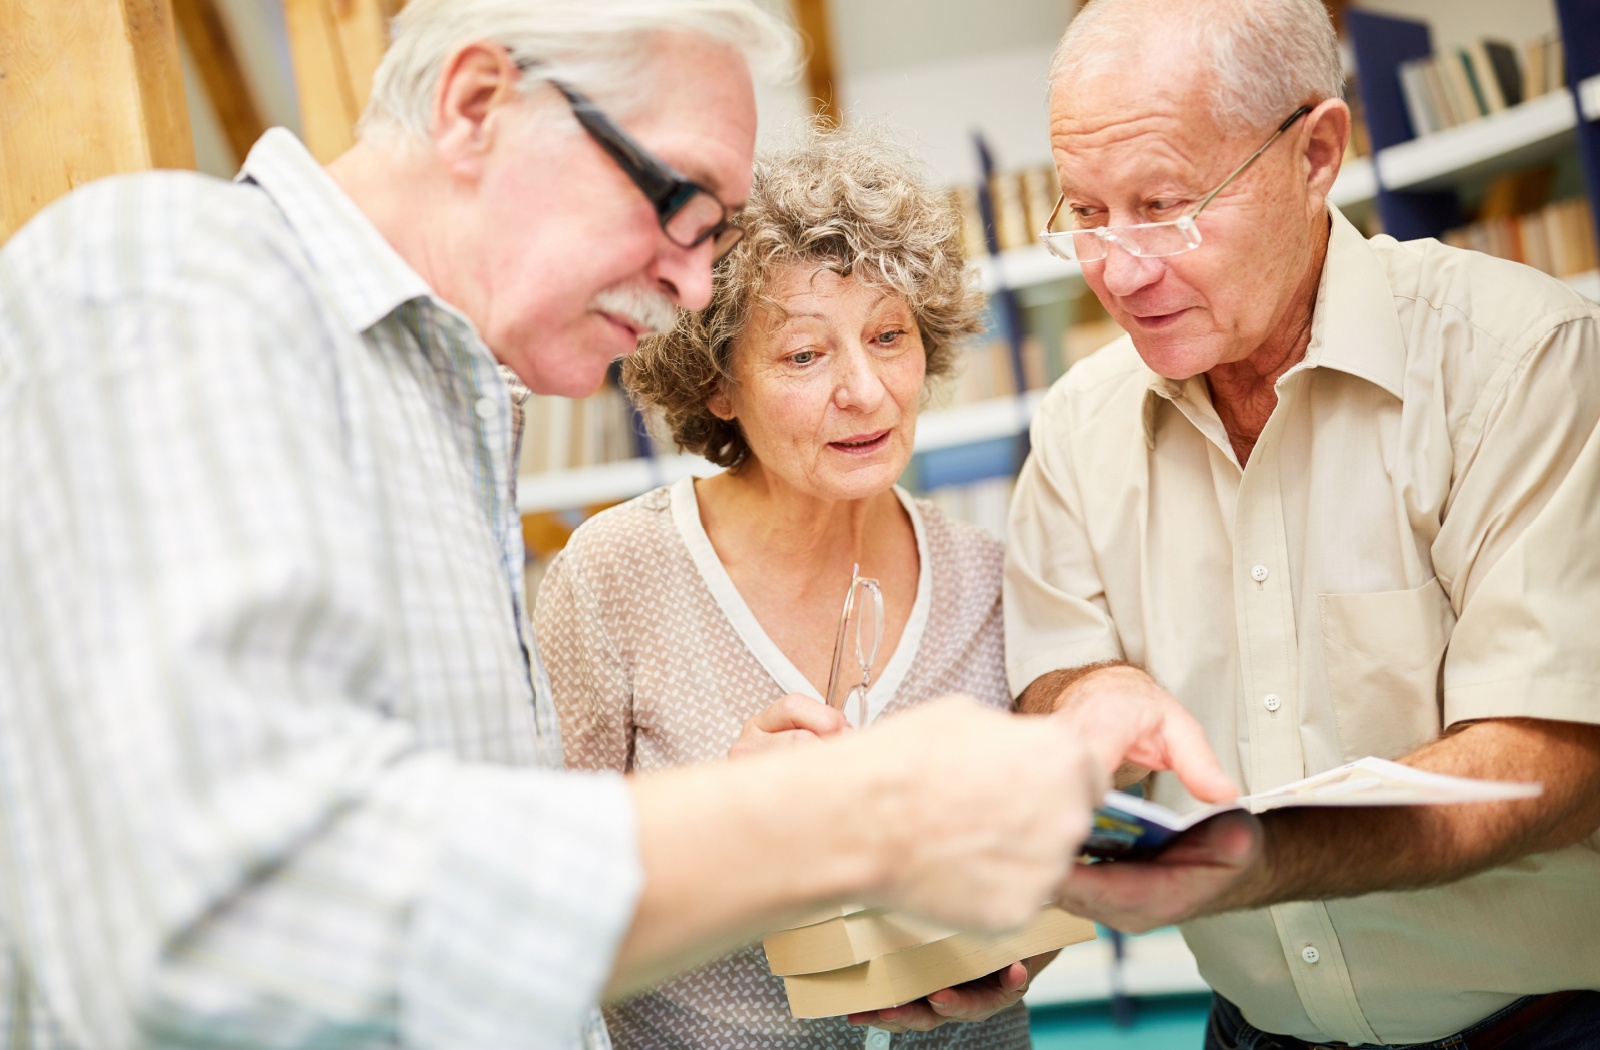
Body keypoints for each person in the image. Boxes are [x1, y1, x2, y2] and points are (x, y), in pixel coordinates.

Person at [0, 1, 1231, 1047]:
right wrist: (850, 814)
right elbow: (223, 917)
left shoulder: (449, 412)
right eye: (680, 204)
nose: (698, 286)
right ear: (479, 102)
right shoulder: (170, 278)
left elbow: (477, 905)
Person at [1005, 0, 1600, 1047]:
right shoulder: (1077, 426)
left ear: (1317, 152)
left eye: (1166, 203)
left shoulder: (1525, 361)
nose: (1119, 269)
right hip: (1249, 1031)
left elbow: (1553, 758)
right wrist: (1085, 694)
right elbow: (1056, 690)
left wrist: (1267, 853)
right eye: (1086, 212)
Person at [538, 123, 1053, 1049]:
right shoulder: (613, 576)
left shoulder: (987, 574)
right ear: (718, 383)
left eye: (889, 337)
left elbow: (1047, 868)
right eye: (806, 355)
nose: (866, 391)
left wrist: (1011, 956)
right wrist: (725, 827)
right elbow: (539, 894)